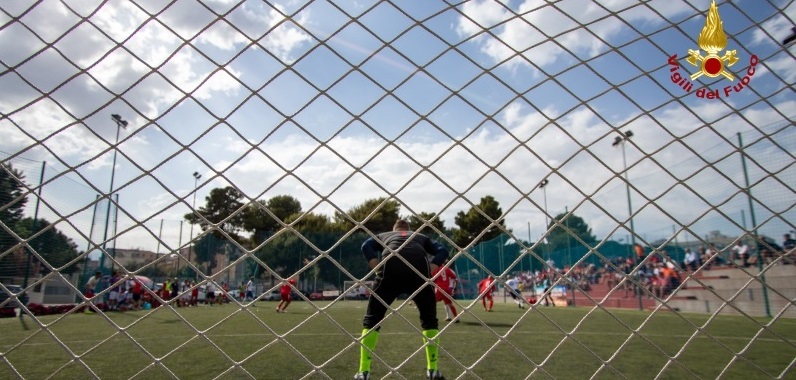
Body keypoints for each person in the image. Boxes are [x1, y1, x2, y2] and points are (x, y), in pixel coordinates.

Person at [355, 219, 448, 380]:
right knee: (430, 321)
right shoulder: (420, 236)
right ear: (409, 229)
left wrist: (377, 268)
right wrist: (430, 269)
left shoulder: (384, 235)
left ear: (394, 229)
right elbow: (443, 250)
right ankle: (433, 370)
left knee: (372, 321)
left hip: (390, 266)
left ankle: (363, 372)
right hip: (418, 270)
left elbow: (365, 246)